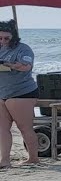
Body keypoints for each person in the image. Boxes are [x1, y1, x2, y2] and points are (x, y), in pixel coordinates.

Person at [0, 19, 40, 167]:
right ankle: (4, 160)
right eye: (0, 38)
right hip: (3, 91)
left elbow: (26, 66)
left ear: (13, 36)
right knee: (2, 128)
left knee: (24, 127)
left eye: (6, 38)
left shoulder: (23, 49)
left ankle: (33, 157)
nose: (3, 41)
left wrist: (9, 64)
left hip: (22, 92)